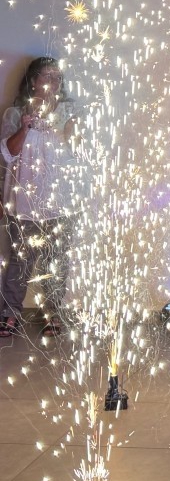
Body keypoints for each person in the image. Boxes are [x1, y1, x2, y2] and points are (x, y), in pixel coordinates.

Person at [1, 57, 75, 336]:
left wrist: (70, 132)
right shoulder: (14, 113)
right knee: (20, 260)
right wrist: (24, 127)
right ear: (33, 80)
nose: (53, 82)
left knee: (56, 261)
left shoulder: (69, 112)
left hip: (60, 202)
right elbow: (8, 154)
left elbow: (78, 153)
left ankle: (53, 313)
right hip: (24, 203)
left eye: (58, 77)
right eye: (47, 75)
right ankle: (10, 313)